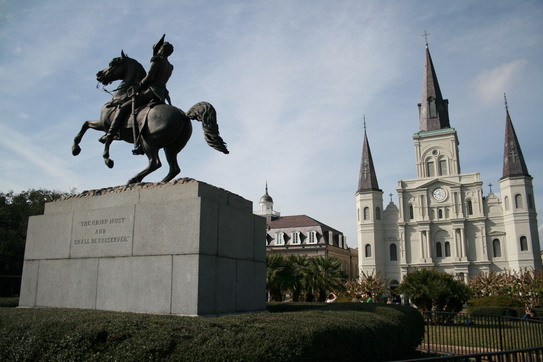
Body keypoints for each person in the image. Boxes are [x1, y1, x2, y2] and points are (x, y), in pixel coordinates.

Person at [100, 34, 174, 154]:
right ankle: (140, 141)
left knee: (123, 107)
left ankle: (110, 135)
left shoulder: (156, 59)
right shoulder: (170, 66)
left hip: (151, 92)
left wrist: (138, 86)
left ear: (161, 50)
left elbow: (149, 77)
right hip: (161, 94)